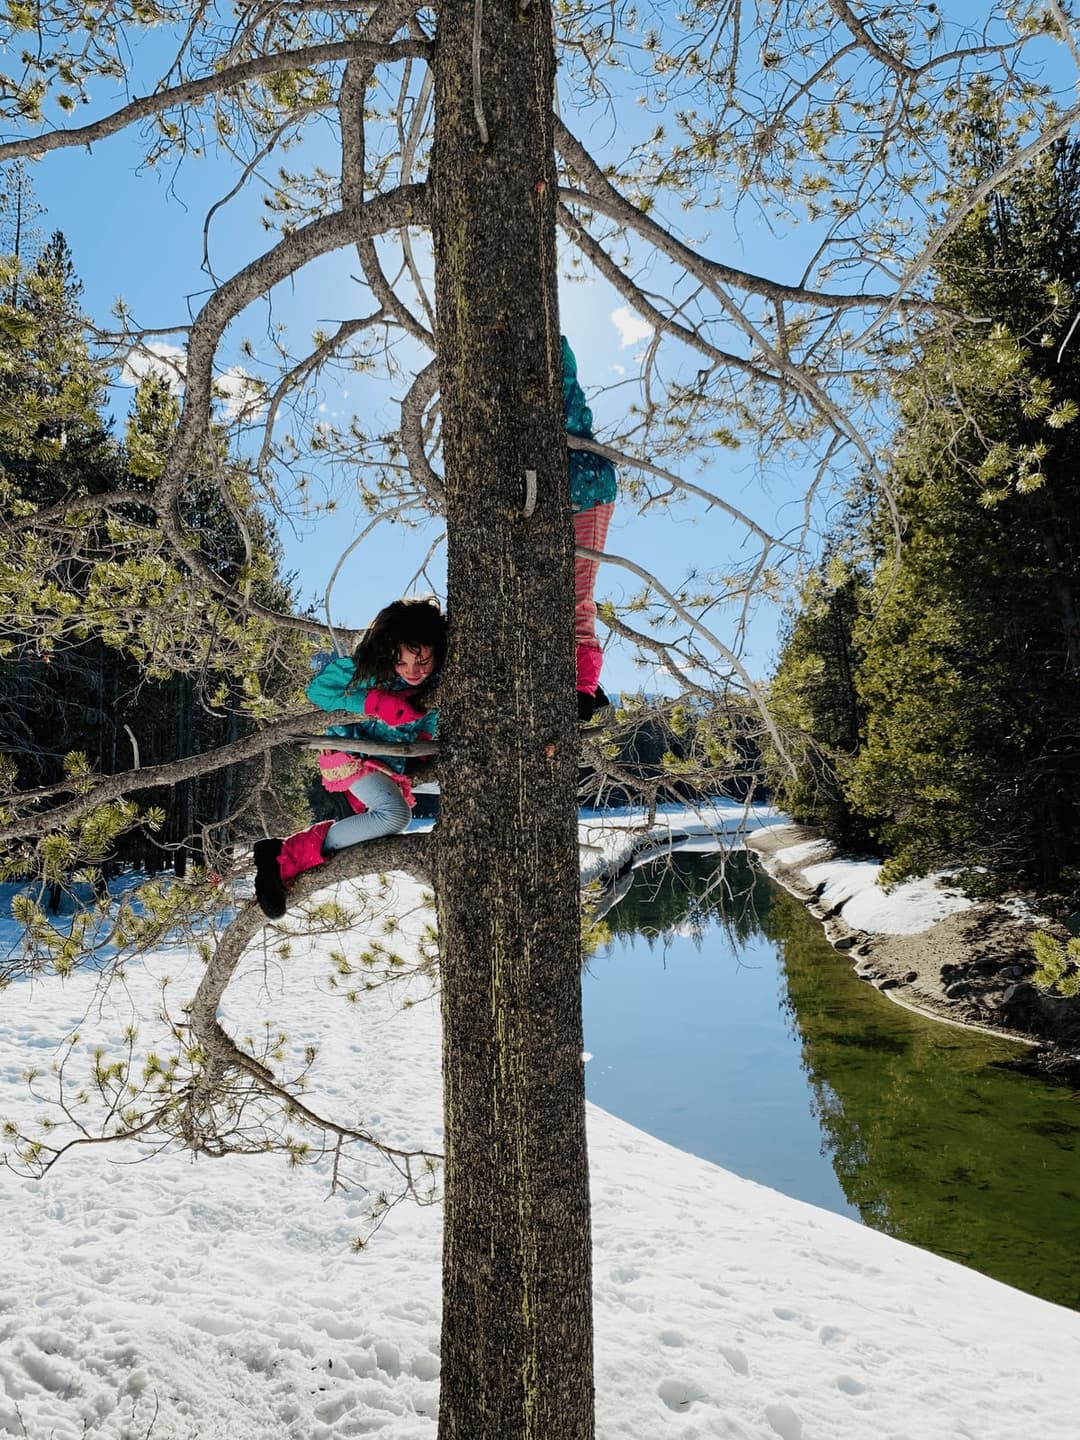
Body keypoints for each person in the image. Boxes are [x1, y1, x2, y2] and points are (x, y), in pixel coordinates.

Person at [253, 597, 446, 918]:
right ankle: (283, 856)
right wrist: (375, 703)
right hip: (350, 752)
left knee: (370, 829)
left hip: (387, 765)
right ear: (389, 652)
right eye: (403, 662)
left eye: (423, 662)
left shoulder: (436, 683)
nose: (413, 671)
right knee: (394, 816)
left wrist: (425, 737)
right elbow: (319, 691)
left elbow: (427, 719)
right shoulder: (372, 672)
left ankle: (283, 857)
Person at [563, 335, 617, 722]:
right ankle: (585, 685)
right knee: (573, 590)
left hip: (586, 487)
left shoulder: (555, 359)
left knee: (578, 591)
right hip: (581, 485)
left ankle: (584, 686)